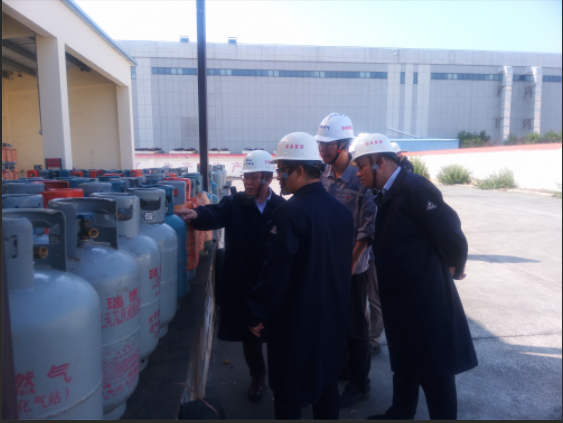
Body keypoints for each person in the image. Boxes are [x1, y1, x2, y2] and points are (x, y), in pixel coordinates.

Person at [351, 133, 478, 420]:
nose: (358, 172)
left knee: (435, 372)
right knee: (405, 362)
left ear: (380, 162)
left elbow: (450, 232)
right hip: (401, 297)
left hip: (424, 299)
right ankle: (400, 413)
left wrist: (456, 265)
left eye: (361, 165)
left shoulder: (415, 187)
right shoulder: (386, 192)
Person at [247, 132, 355, 420]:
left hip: (295, 323)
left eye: (282, 169)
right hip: (331, 318)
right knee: (326, 384)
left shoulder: (288, 213)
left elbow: (275, 272)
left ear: (298, 170)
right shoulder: (341, 213)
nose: (278, 176)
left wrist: (257, 312)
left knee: (288, 391)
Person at [177, 150, 285, 403]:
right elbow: (215, 213)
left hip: (273, 281)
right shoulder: (236, 203)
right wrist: (197, 215)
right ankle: (257, 376)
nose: (248, 182)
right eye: (246, 176)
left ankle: (283, 378)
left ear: (268, 179)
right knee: (250, 336)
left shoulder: (282, 208)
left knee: (279, 333)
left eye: (254, 177)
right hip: (244, 281)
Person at [314, 113, 377, 408]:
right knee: (331, 323)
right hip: (327, 265)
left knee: (355, 329)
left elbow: (368, 229)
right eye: (320, 143)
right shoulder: (322, 174)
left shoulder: (360, 177)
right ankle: (340, 368)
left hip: (353, 267)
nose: (322, 149)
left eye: (327, 144)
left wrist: (349, 265)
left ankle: (359, 384)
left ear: (343, 145)